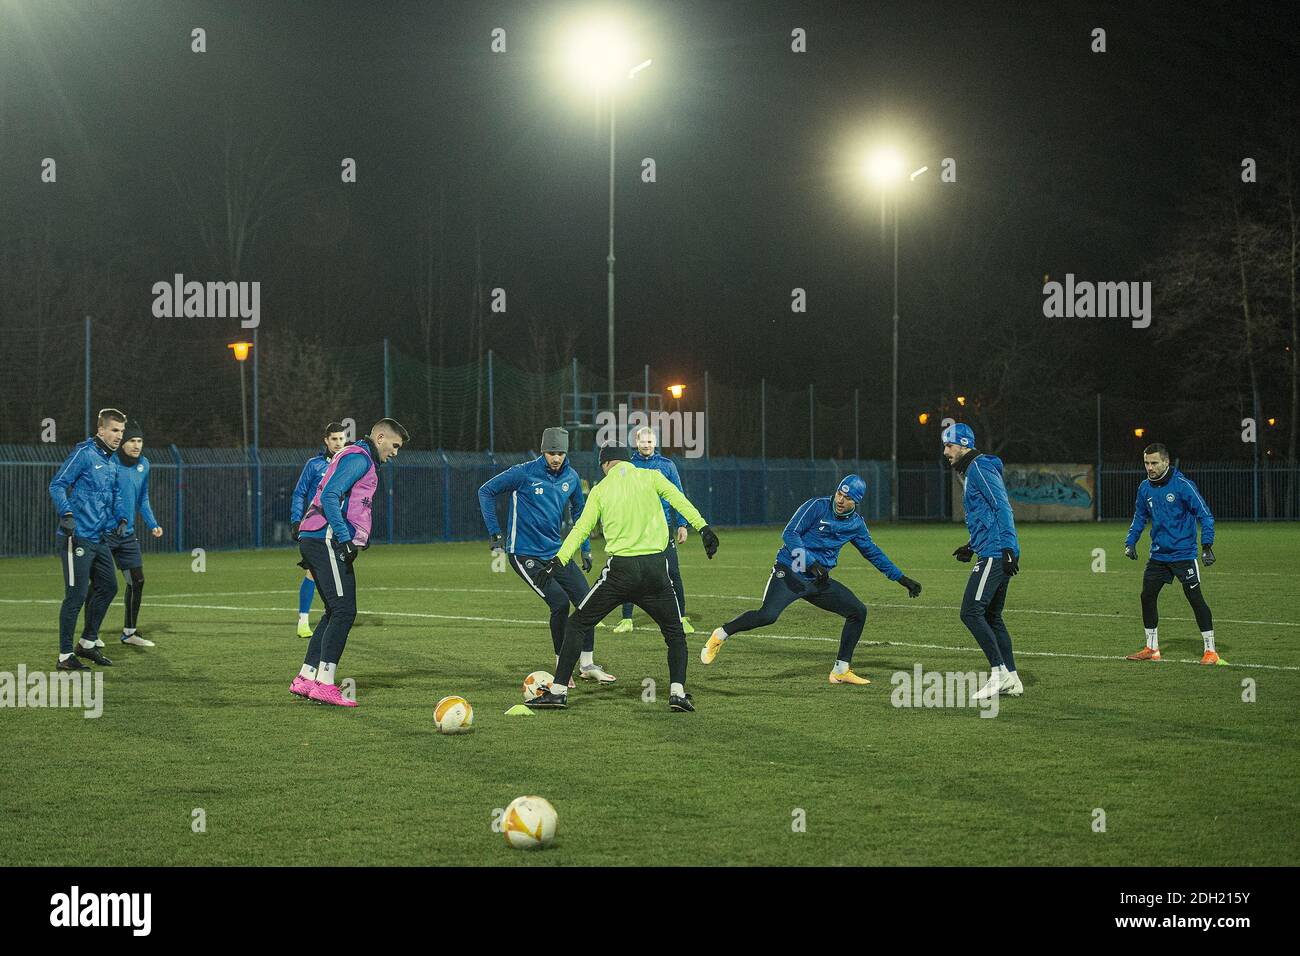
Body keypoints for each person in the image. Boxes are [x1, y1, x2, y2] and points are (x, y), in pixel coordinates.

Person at [525, 445, 719, 713]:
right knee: (674, 633)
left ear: (605, 464)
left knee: (577, 624)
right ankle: (677, 693)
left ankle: (557, 692)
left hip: (620, 573)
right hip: (655, 571)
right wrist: (704, 528)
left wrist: (560, 559)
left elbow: (582, 528)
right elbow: (679, 500)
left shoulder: (601, 489)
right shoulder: (651, 477)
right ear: (629, 461)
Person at [700, 474, 921, 684]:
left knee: (857, 611)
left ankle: (841, 670)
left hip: (818, 579)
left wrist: (901, 578)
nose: (841, 500)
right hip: (791, 569)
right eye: (839, 494)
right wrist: (809, 561)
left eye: (848, 498)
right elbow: (790, 533)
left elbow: (873, 554)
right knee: (767, 615)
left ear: (857, 502)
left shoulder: (856, 525)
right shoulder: (817, 506)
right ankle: (720, 634)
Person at [477, 427, 615, 685]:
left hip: (556, 554)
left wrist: (584, 548)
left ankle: (586, 664)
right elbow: (485, 491)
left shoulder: (572, 478)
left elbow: (580, 513)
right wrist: (495, 532)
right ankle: (561, 664)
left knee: (588, 600)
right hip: (524, 553)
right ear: (543, 451)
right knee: (560, 603)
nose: (556, 458)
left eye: (561, 452)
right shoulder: (524, 473)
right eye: (552, 452)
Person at [289, 418, 408, 707]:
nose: (395, 453)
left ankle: (306, 677)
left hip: (318, 538)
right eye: (394, 445)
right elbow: (330, 495)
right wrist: (343, 537)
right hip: (326, 538)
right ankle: (326, 684)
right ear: (380, 437)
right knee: (344, 611)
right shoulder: (359, 457)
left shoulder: (356, 456)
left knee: (333, 611)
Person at [942, 423, 1024, 699]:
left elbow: (1002, 506)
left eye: (949, 445)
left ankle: (998, 672)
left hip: (995, 552)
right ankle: (1012, 678)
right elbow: (987, 515)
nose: (945, 452)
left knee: (970, 612)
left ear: (963, 444)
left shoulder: (978, 468)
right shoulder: (973, 470)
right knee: (992, 616)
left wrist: (1009, 547)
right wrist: (971, 545)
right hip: (990, 548)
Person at [1123, 442, 1222, 665]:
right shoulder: (1144, 488)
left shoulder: (1183, 485)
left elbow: (1205, 515)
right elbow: (1140, 517)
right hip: (1158, 555)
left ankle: (1211, 651)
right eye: (1147, 463)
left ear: (1166, 462)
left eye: (1154, 463)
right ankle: (1152, 648)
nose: (1150, 467)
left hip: (1184, 554)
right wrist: (1130, 542)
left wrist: (1207, 545)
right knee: (1146, 596)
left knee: (1195, 598)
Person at [48, 408, 126, 670]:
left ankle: (88, 643)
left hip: (98, 538)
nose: (119, 436)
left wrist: (121, 518)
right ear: (101, 430)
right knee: (76, 596)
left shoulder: (112, 461)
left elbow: (114, 493)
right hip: (77, 537)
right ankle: (64, 657)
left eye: (121, 431)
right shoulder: (84, 453)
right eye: (114, 430)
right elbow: (57, 484)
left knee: (109, 586)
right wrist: (66, 512)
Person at [613, 426, 694, 634]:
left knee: (673, 572)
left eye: (650, 442)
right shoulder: (627, 466)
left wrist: (682, 524)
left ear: (655, 443)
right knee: (629, 571)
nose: (646, 445)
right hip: (635, 526)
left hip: (663, 527)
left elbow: (678, 495)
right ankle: (627, 619)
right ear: (636, 443)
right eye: (643, 441)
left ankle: (681, 617)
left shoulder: (667, 466)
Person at [100, 419, 164, 648]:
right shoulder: (109, 463)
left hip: (127, 534)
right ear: (122, 443)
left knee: (137, 580)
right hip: (104, 533)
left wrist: (152, 523)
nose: (136, 445)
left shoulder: (144, 464)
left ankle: (129, 633)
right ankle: (90, 635)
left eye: (140, 441)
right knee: (101, 584)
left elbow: (142, 498)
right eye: (132, 441)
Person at [290, 422, 347, 637]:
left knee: (337, 571)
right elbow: (299, 493)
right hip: (316, 527)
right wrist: (296, 521)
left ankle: (332, 614)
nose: (338, 443)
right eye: (334, 439)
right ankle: (303, 622)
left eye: (342, 439)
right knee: (313, 572)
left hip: (338, 528)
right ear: (326, 440)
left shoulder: (348, 465)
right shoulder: (314, 465)